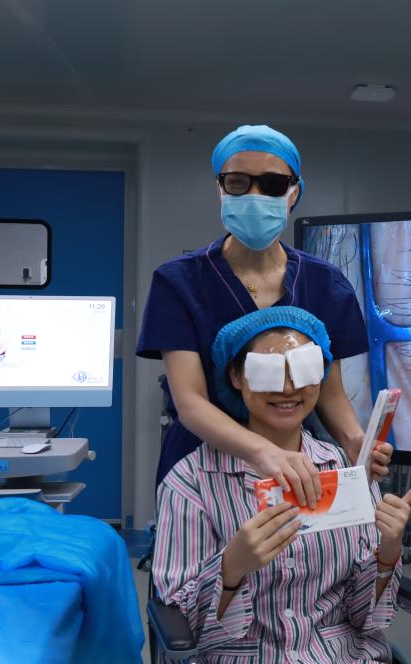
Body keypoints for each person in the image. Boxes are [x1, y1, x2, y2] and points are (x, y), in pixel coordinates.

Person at [153, 307, 411, 663]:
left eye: (303, 370)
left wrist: (388, 551)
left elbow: (363, 617)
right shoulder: (191, 482)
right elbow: (182, 629)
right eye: (268, 371)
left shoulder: (344, 468)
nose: (288, 388)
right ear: (236, 376)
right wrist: (231, 568)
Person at [137, 125, 377, 505]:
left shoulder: (324, 284)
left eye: (272, 184)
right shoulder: (179, 281)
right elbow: (191, 401)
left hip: (297, 464)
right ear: (220, 189)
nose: (254, 195)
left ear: (294, 192)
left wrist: (355, 441)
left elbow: (329, 393)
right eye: (238, 182)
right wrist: (263, 453)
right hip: (203, 468)